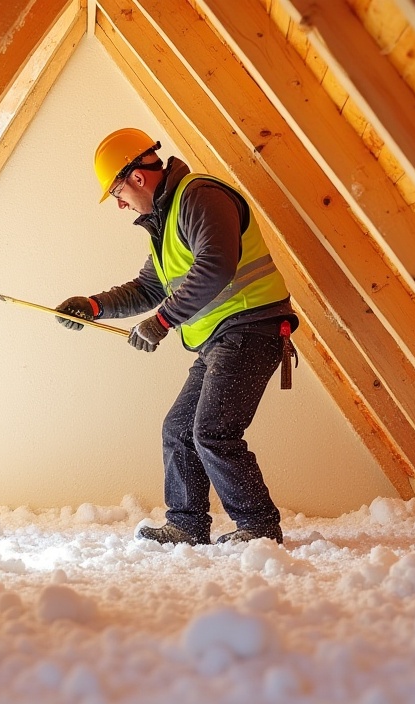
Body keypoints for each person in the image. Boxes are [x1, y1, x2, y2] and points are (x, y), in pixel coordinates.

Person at [55, 127, 299, 546]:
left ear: (136, 176)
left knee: (213, 431)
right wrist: (92, 306)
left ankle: (259, 527)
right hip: (219, 338)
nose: (119, 204)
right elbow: (149, 288)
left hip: (252, 326)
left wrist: (162, 322)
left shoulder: (200, 197)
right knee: (178, 429)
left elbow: (217, 265)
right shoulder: (166, 222)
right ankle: (186, 524)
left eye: (117, 192)